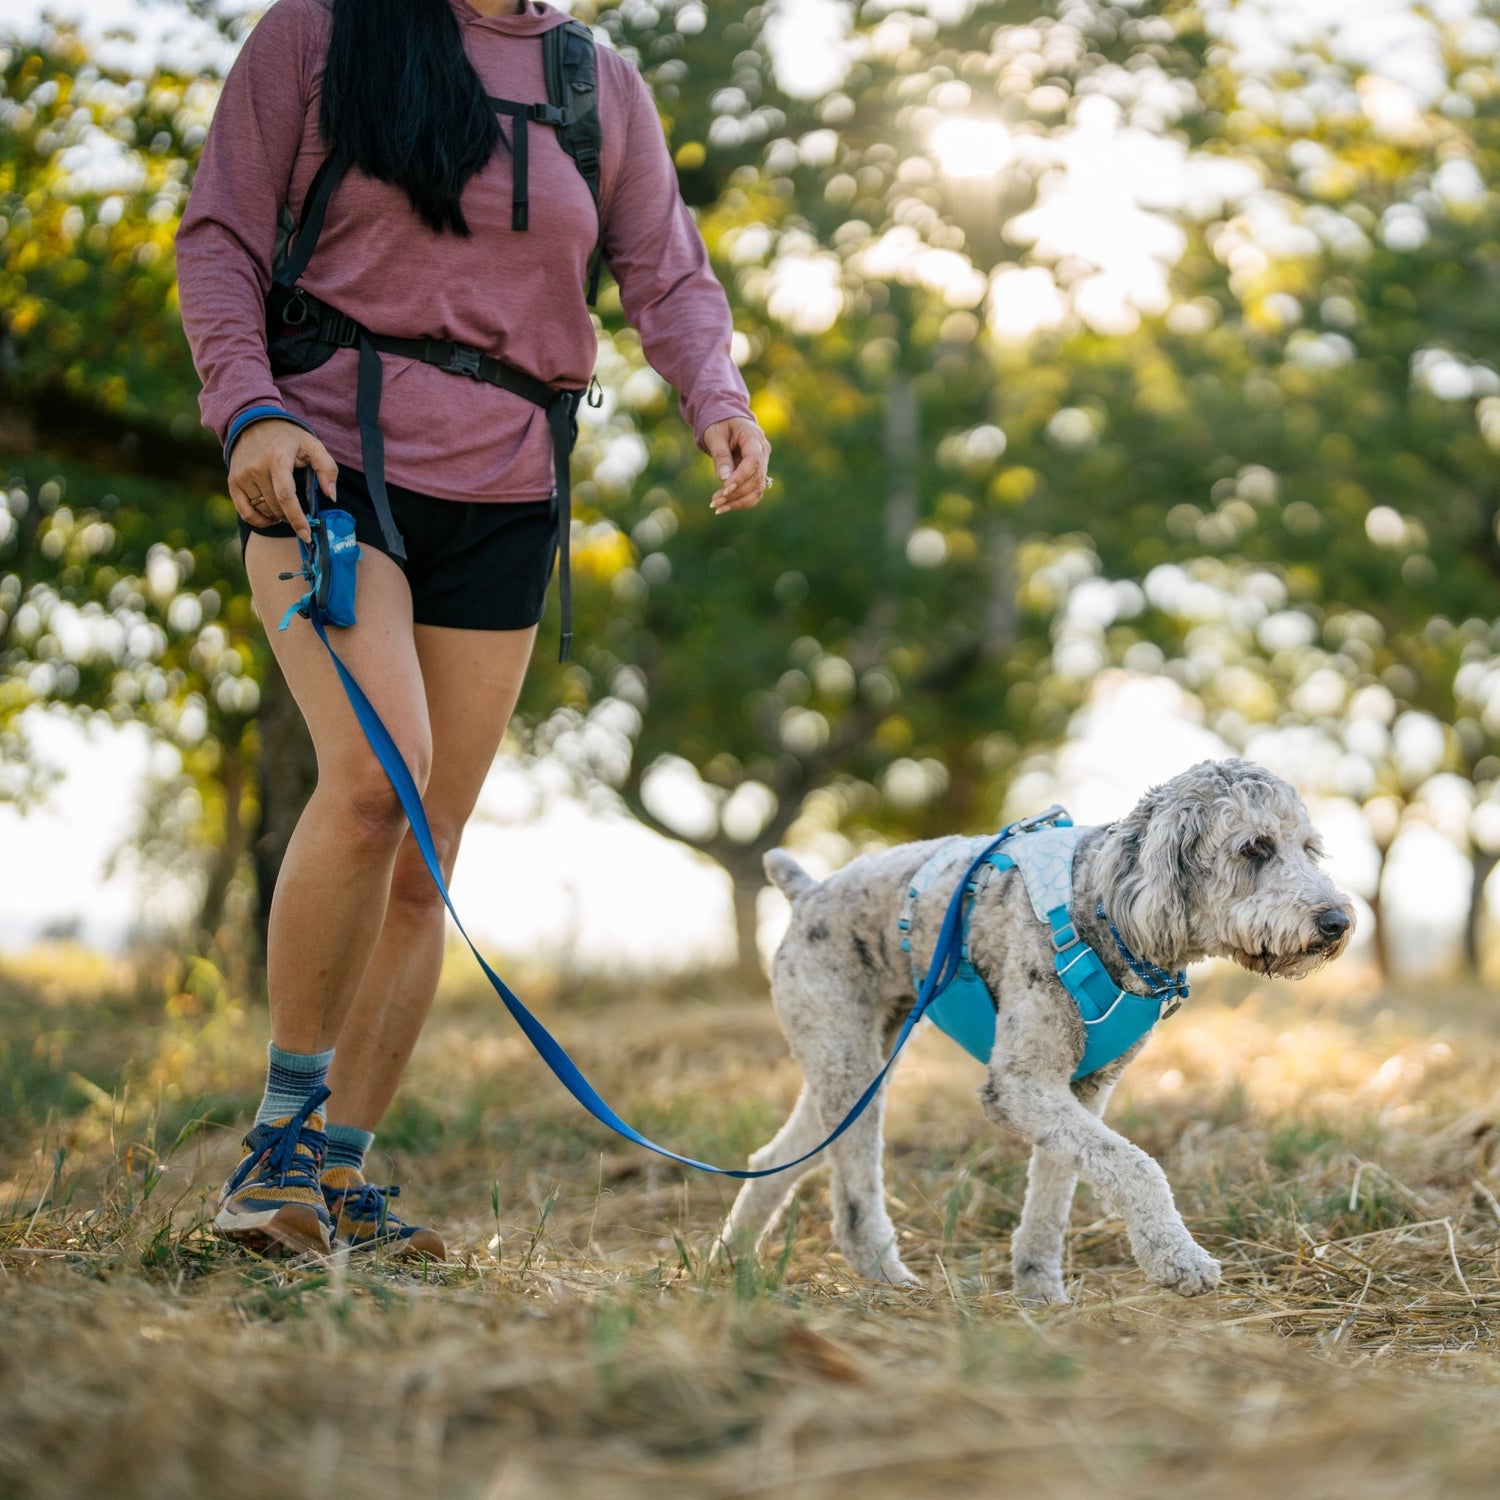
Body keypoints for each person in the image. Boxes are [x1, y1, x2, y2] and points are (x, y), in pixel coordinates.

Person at [176, 0, 771, 1259]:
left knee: (425, 850)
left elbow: (664, 266)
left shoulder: (593, 82)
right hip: (326, 466)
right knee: (372, 783)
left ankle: (340, 1178)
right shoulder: (321, 32)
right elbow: (220, 231)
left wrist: (714, 394)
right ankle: (275, 1153)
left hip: (506, 488)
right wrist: (247, 410)